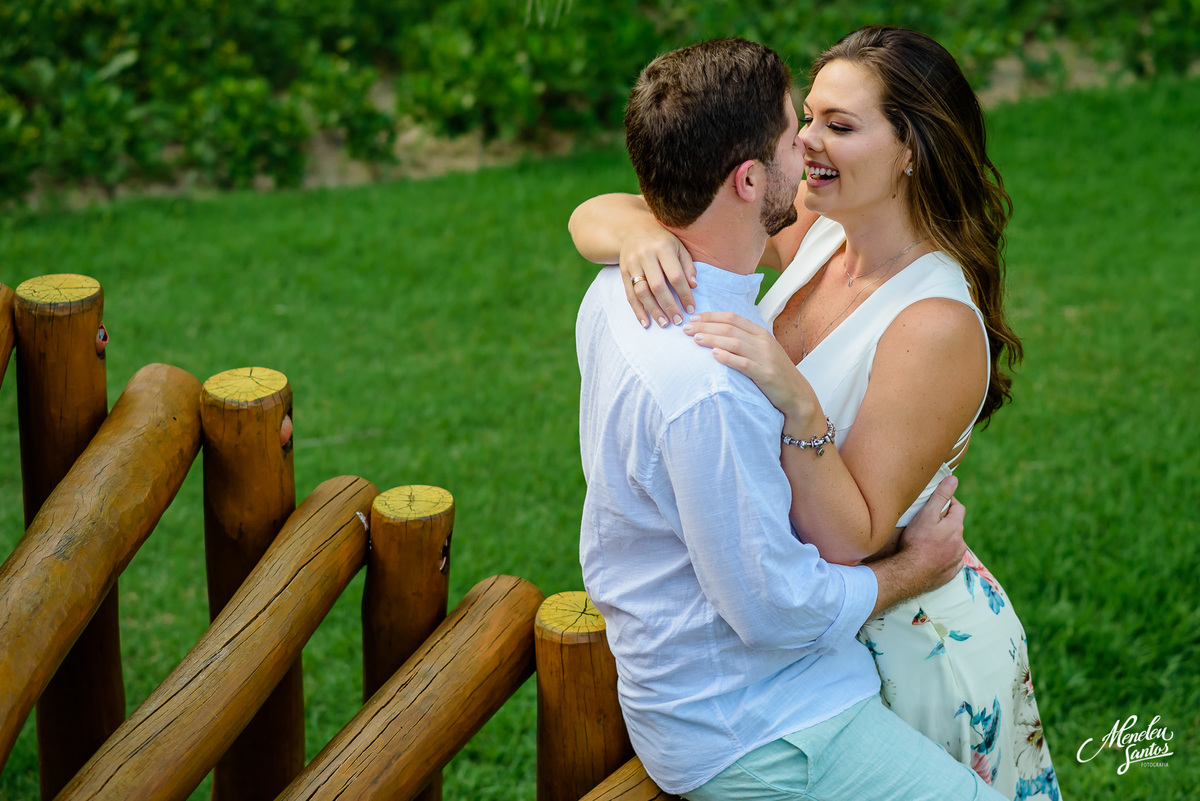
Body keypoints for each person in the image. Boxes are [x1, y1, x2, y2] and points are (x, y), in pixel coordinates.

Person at [570, 27, 1061, 801]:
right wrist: (637, 236)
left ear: (912, 149)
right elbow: (618, 208)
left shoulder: (932, 323)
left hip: (908, 648)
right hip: (803, 644)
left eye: (838, 124)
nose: (805, 141)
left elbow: (850, 536)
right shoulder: (813, 224)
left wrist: (795, 395)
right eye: (807, 121)